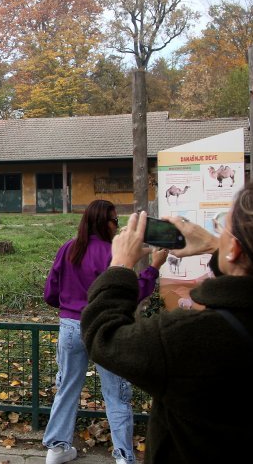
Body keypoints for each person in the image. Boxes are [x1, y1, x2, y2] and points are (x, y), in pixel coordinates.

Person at [80, 179, 253, 464]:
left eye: (224, 224)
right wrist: (218, 246)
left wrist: (121, 263)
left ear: (235, 249)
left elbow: (102, 335)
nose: (219, 230)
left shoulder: (187, 337)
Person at [42, 199, 167, 464]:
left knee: (66, 387)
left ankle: (56, 448)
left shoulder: (68, 249)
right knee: (117, 393)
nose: (117, 225)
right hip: (104, 328)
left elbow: (50, 292)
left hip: (70, 328)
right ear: (103, 222)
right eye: (114, 220)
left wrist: (69, 308)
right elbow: (131, 293)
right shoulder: (112, 253)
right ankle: (123, 455)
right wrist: (153, 268)